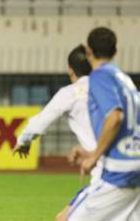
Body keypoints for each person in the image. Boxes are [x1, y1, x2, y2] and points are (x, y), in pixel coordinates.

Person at [12, 44, 101, 220]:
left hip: (109, 174)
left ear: (70, 70)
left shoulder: (72, 92)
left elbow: (41, 121)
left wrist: (24, 140)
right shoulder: (116, 88)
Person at [66, 27, 140, 221]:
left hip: (119, 170)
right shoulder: (123, 79)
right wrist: (93, 153)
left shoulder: (99, 77)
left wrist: (94, 157)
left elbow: (115, 116)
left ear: (87, 50)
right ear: (115, 51)